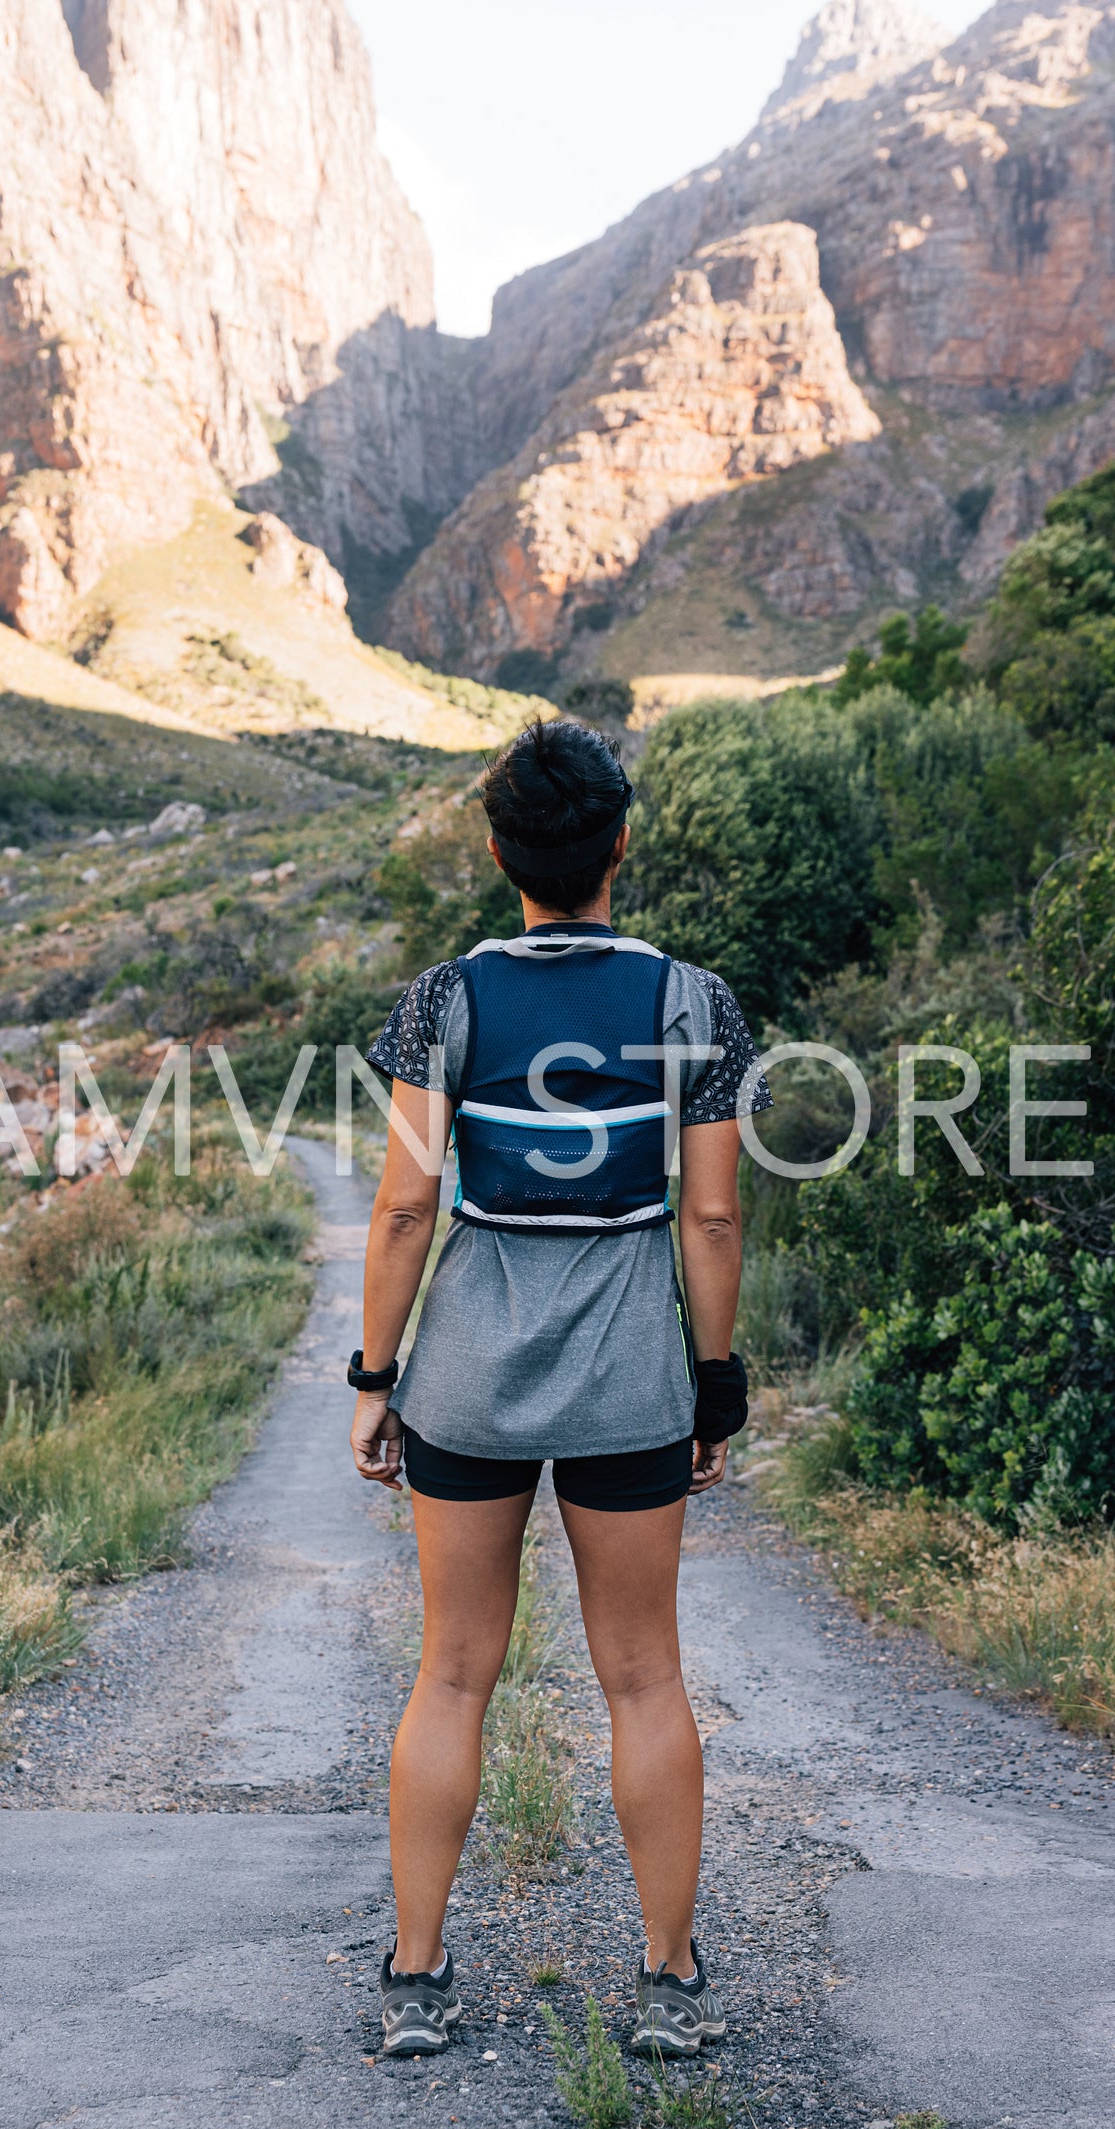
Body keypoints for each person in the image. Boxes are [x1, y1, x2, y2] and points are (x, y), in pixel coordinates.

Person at [348, 715, 769, 2059]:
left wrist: (375, 1377)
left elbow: (407, 1207)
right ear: (620, 847)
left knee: (453, 1672)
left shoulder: (442, 1001)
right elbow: (708, 1220)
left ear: (496, 853)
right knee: (643, 1676)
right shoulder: (691, 1002)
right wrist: (714, 1382)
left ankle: (415, 1981)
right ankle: (665, 1981)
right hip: (628, 1378)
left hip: (465, 1376)